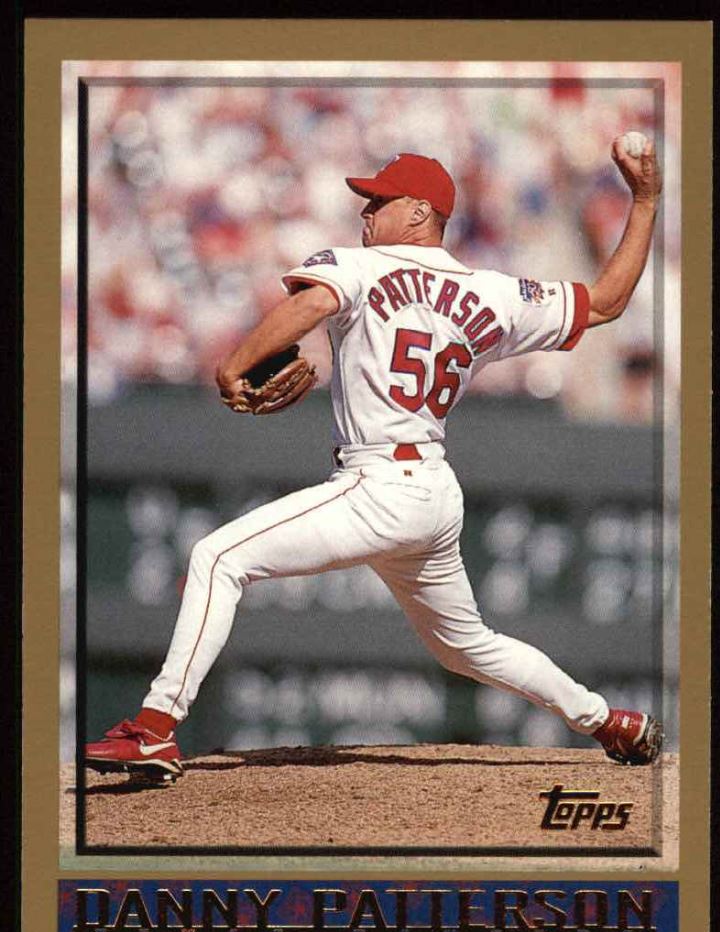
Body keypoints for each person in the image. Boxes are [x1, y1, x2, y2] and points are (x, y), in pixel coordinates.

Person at [86, 144, 664, 783]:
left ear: (419, 212)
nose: (365, 212)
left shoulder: (357, 265)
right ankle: (610, 721)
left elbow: (311, 306)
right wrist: (644, 201)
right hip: (434, 492)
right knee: (466, 646)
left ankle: (154, 727)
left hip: (378, 483)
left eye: (379, 201)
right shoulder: (494, 292)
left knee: (217, 558)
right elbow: (607, 302)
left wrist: (233, 364)